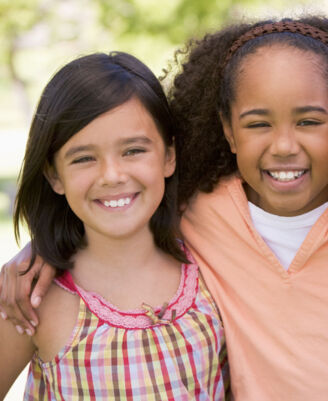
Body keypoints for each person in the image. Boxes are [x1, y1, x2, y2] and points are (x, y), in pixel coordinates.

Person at [0, 16, 328, 400]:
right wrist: (41, 252)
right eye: (258, 123)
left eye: (308, 121)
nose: (284, 145)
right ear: (228, 130)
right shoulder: (201, 215)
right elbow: (116, 219)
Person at [0, 52, 228, 400]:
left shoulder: (211, 273)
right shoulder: (33, 303)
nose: (112, 175)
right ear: (53, 175)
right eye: (84, 158)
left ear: (169, 156)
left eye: (133, 150)